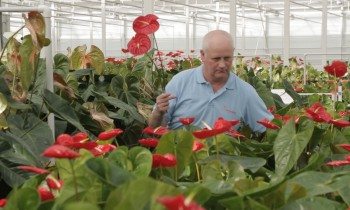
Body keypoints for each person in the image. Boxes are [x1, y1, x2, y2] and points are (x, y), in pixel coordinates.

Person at [149, 30, 273, 133]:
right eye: (216, 59)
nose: (223, 64)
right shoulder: (180, 82)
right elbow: (155, 129)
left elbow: (268, 129)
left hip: (224, 160)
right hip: (182, 157)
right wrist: (158, 113)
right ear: (202, 55)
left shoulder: (245, 92)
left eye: (227, 58)